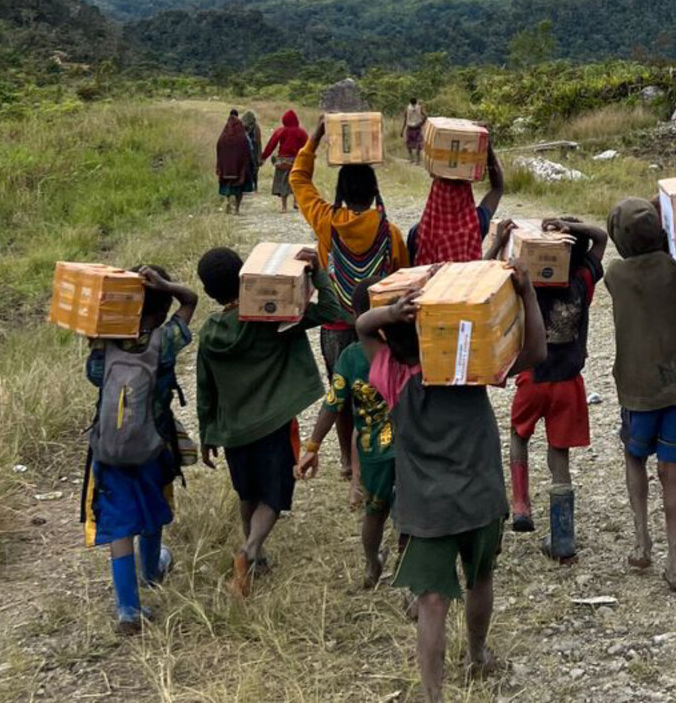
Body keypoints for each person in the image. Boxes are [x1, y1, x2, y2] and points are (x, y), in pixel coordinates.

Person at [357, 264, 547, 702]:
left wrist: (390, 314)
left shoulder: (392, 376)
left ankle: (432, 696)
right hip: (479, 498)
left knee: (431, 603)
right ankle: (477, 655)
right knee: (479, 580)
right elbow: (535, 353)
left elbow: (363, 327)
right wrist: (529, 294)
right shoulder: (471, 366)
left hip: (425, 510)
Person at [195, 246, 344, 596]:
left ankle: (257, 558)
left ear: (208, 291)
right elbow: (333, 310)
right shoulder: (273, 318)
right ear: (244, 275)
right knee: (272, 497)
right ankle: (249, 550)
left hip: (233, 430)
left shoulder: (209, 333)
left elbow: (205, 388)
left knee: (247, 492)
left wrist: (206, 435)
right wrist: (319, 271)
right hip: (273, 425)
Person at [292, 113, 409, 502]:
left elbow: (298, 180)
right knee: (382, 394)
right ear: (375, 193)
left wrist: (317, 136)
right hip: (379, 331)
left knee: (341, 394)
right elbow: (402, 275)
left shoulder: (327, 221)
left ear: (341, 193)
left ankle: (345, 459)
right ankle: (380, 454)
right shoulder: (388, 231)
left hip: (336, 327)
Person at [81, 265, 197, 635]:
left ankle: (128, 610)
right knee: (153, 508)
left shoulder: (106, 345)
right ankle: (151, 571)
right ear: (162, 310)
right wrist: (168, 286)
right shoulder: (165, 341)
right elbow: (191, 300)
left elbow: (95, 377)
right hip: (153, 447)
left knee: (118, 526)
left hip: (108, 451)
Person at [605, 198, 676, 593]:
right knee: (674, 472)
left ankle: (640, 539)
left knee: (634, 456)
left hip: (638, 389)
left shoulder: (615, 275)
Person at [496, 217, 606, 563]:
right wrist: (573, 227)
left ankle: (521, 506)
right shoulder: (582, 282)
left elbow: (491, 274)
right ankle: (562, 539)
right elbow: (601, 238)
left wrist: (502, 241)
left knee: (518, 435)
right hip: (568, 383)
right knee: (560, 457)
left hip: (533, 378)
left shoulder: (529, 286)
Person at [296, 279, 397, 588]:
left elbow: (333, 403)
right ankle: (411, 585)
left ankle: (371, 565)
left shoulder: (351, 357)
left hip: (373, 454)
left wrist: (312, 445)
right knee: (409, 516)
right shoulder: (406, 351)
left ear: (355, 314)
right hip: (410, 448)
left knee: (374, 513)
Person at [407, 145, 504, 265]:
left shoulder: (417, 233)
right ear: (467, 195)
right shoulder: (474, 224)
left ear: (434, 194)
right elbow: (497, 188)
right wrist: (486, 146)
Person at [261, 110, 309, 213]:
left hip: (283, 160)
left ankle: (284, 207)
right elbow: (308, 146)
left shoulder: (280, 131)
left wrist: (264, 156)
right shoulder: (301, 132)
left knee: (283, 183)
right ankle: (296, 202)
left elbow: (271, 144)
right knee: (296, 181)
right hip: (297, 160)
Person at [216, 109, 251, 214]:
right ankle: (237, 209)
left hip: (225, 169)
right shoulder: (242, 137)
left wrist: (220, 166)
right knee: (239, 190)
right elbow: (248, 151)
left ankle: (227, 202)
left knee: (227, 186)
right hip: (239, 169)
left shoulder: (223, 137)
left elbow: (218, 150)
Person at [401, 97, 427, 165]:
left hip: (411, 128)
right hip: (416, 128)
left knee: (410, 144)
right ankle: (416, 160)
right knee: (416, 144)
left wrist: (402, 130)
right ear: (416, 102)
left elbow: (405, 119)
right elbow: (425, 116)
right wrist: (422, 123)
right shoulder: (419, 107)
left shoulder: (408, 108)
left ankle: (412, 159)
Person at [242, 111, 262, 193]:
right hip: (246, 149)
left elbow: (258, 142)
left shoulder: (256, 128)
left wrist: (259, 156)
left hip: (254, 149)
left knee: (255, 168)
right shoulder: (241, 127)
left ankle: (255, 185)